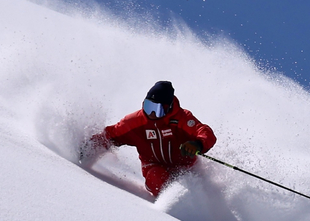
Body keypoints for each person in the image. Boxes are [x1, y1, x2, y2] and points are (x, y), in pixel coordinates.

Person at [80, 81, 217, 197]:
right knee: (157, 178)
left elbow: (204, 132)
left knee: (194, 186)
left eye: (157, 110)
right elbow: (110, 135)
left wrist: (197, 144)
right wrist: (88, 148)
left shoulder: (181, 119)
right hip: (154, 166)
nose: (151, 113)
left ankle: (200, 213)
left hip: (185, 167)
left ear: (168, 108)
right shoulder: (135, 122)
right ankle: (174, 208)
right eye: (148, 106)